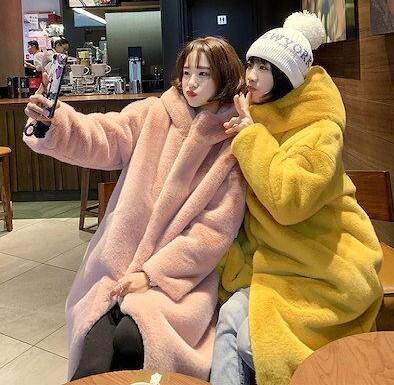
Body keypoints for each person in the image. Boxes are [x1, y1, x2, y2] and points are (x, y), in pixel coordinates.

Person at [23, 36, 247, 381]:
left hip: (176, 281)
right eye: (187, 72)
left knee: (134, 339)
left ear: (224, 77)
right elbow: (105, 134)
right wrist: (57, 123)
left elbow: (212, 232)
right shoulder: (154, 112)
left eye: (203, 74)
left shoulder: (230, 144)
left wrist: (152, 275)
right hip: (115, 265)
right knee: (92, 354)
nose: (191, 82)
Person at [211, 11, 383, 385]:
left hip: (324, 269)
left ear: (286, 76)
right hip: (276, 264)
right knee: (228, 321)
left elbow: (289, 200)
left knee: (253, 345)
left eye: (264, 68)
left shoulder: (319, 130)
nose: (251, 76)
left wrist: (250, 137)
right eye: (251, 64)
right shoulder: (260, 117)